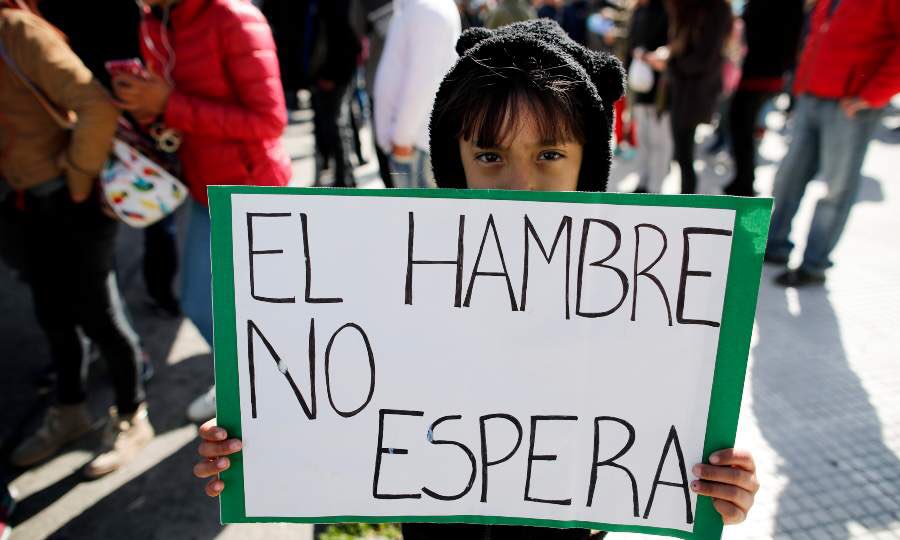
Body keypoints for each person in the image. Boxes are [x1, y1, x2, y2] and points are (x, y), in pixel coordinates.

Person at [192, 20, 761, 538]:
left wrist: (722, 484)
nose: (520, 185)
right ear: (453, 161)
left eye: (549, 155)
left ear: (586, 164)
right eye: (490, 156)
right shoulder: (399, 283)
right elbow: (337, 396)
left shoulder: (628, 300)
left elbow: (658, 437)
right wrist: (261, 438)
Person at [113, 0, 292, 422]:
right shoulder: (155, 20)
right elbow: (176, 108)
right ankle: (247, 382)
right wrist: (147, 110)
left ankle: (279, 392)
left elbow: (270, 121)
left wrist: (169, 103)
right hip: (202, 189)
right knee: (199, 303)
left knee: (268, 310)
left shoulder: (232, 17)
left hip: (254, 192)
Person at [1, 0, 153, 478]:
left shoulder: (17, 30)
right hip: (21, 203)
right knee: (52, 314)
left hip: (71, 198)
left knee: (100, 313)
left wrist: (78, 179)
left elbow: (95, 104)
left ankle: (132, 415)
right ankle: (69, 411)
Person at [765, 0, 900, 287]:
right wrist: (801, 84)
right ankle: (774, 243)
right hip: (812, 94)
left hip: (851, 104)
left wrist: (872, 95)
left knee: (836, 188)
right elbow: (818, 35)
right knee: (788, 177)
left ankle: (814, 264)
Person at [373, 0, 460, 189]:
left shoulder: (428, 10)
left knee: (420, 209)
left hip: (415, 147)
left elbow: (423, 81)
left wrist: (402, 140)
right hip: (413, 144)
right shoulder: (422, 8)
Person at [722, 0, 804, 197]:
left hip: (760, 74)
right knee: (742, 128)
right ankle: (743, 178)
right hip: (758, 72)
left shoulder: (787, 7)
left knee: (744, 128)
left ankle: (745, 182)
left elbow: (787, 40)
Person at [663, 0, 733, 194]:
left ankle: (687, 199)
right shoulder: (688, 8)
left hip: (695, 92)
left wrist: (671, 63)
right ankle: (686, 195)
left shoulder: (716, 10)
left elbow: (705, 58)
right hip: (683, 88)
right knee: (681, 151)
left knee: (684, 154)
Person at [626, 0, 671, 193]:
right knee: (643, 137)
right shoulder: (638, 11)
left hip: (661, 91)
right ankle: (643, 181)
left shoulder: (667, 11)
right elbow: (631, 44)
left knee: (659, 141)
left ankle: (655, 187)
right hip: (639, 86)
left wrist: (649, 56)